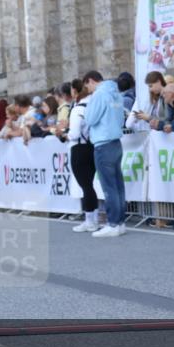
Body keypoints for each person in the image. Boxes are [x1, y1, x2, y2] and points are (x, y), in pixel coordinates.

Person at [81, 70, 127, 238]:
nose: (89, 90)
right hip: (115, 141)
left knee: (109, 186)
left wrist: (87, 110)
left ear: (91, 81)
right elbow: (121, 119)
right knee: (118, 184)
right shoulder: (116, 94)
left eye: (88, 86)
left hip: (103, 142)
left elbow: (90, 119)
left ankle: (113, 223)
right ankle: (120, 222)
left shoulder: (99, 95)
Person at [68, 78, 98, 232]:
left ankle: (90, 220)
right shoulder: (93, 105)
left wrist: (62, 133)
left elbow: (74, 133)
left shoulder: (77, 109)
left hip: (79, 148)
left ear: (74, 91)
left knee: (85, 185)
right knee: (89, 184)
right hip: (92, 146)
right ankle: (93, 218)